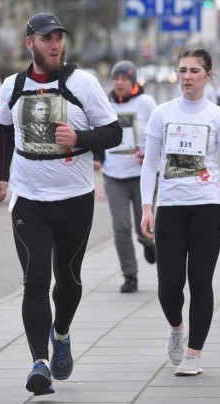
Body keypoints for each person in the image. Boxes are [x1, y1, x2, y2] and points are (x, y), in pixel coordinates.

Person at [0, 12, 122, 396]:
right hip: (28, 201)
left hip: (75, 201)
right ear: (29, 42)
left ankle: (60, 333)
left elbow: (113, 132)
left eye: (59, 38)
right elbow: (2, 130)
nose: (55, 44)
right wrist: (0, 177)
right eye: (47, 38)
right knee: (35, 280)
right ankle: (39, 362)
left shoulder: (83, 83)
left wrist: (80, 138)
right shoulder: (12, 86)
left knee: (67, 280)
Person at [140, 47, 220, 377]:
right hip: (170, 208)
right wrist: (146, 206)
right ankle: (176, 328)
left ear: (207, 75)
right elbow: (150, 165)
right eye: (182, 70)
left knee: (200, 281)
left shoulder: (218, 116)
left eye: (194, 71)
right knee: (169, 285)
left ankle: (194, 354)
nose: (186, 76)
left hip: (208, 208)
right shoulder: (162, 113)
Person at [93, 60, 157, 294]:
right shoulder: (105, 103)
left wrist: (150, 156)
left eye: (124, 79)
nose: (119, 83)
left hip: (142, 175)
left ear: (133, 81)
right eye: (116, 79)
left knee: (145, 228)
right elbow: (99, 132)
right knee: (121, 226)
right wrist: (98, 155)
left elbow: (159, 133)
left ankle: (149, 244)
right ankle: (130, 275)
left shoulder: (147, 103)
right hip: (113, 175)